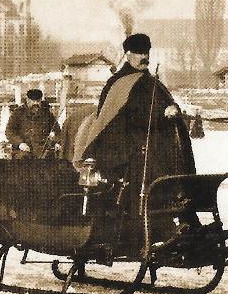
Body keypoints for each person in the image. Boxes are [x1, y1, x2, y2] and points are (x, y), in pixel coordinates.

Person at [77, 33, 196, 216]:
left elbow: (165, 102)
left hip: (156, 146)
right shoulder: (118, 83)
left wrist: (174, 110)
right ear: (128, 54)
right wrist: (161, 115)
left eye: (146, 52)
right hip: (126, 148)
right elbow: (124, 118)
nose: (144, 57)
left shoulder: (151, 81)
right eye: (139, 53)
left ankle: (176, 211)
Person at [5, 88, 60, 158]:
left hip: (43, 150)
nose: (35, 103)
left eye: (38, 101)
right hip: (24, 149)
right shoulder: (18, 113)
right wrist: (20, 143)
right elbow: (9, 131)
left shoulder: (47, 113)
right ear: (27, 100)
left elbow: (57, 130)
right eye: (33, 101)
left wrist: (56, 142)